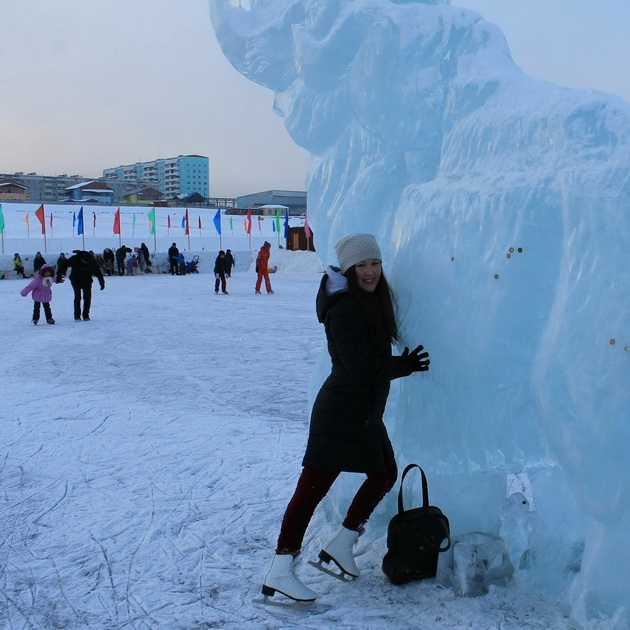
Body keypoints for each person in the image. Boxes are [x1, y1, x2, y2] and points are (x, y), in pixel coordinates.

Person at [261, 233, 430, 603]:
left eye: (375, 263)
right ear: (349, 270)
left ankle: (342, 543)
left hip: (362, 412)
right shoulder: (345, 308)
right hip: (340, 413)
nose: (370, 272)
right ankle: (279, 569)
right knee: (310, 491)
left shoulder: (367, 300)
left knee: (384, 474)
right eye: (361, 266)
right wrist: (406, 365)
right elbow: (360, 367)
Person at [57, 250, 105, 321]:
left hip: (87, 281)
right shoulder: (74, 259)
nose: (86, 263)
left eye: (87, 262)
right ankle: (77, 316)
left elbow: (98, 272)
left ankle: (86, 315)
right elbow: (62, 266)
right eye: (85, 262)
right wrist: (59, 276)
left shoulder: (91, 261)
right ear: (82, 259)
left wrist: (102, 283)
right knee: (77, 297)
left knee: (87, 297)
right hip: (75, 280)